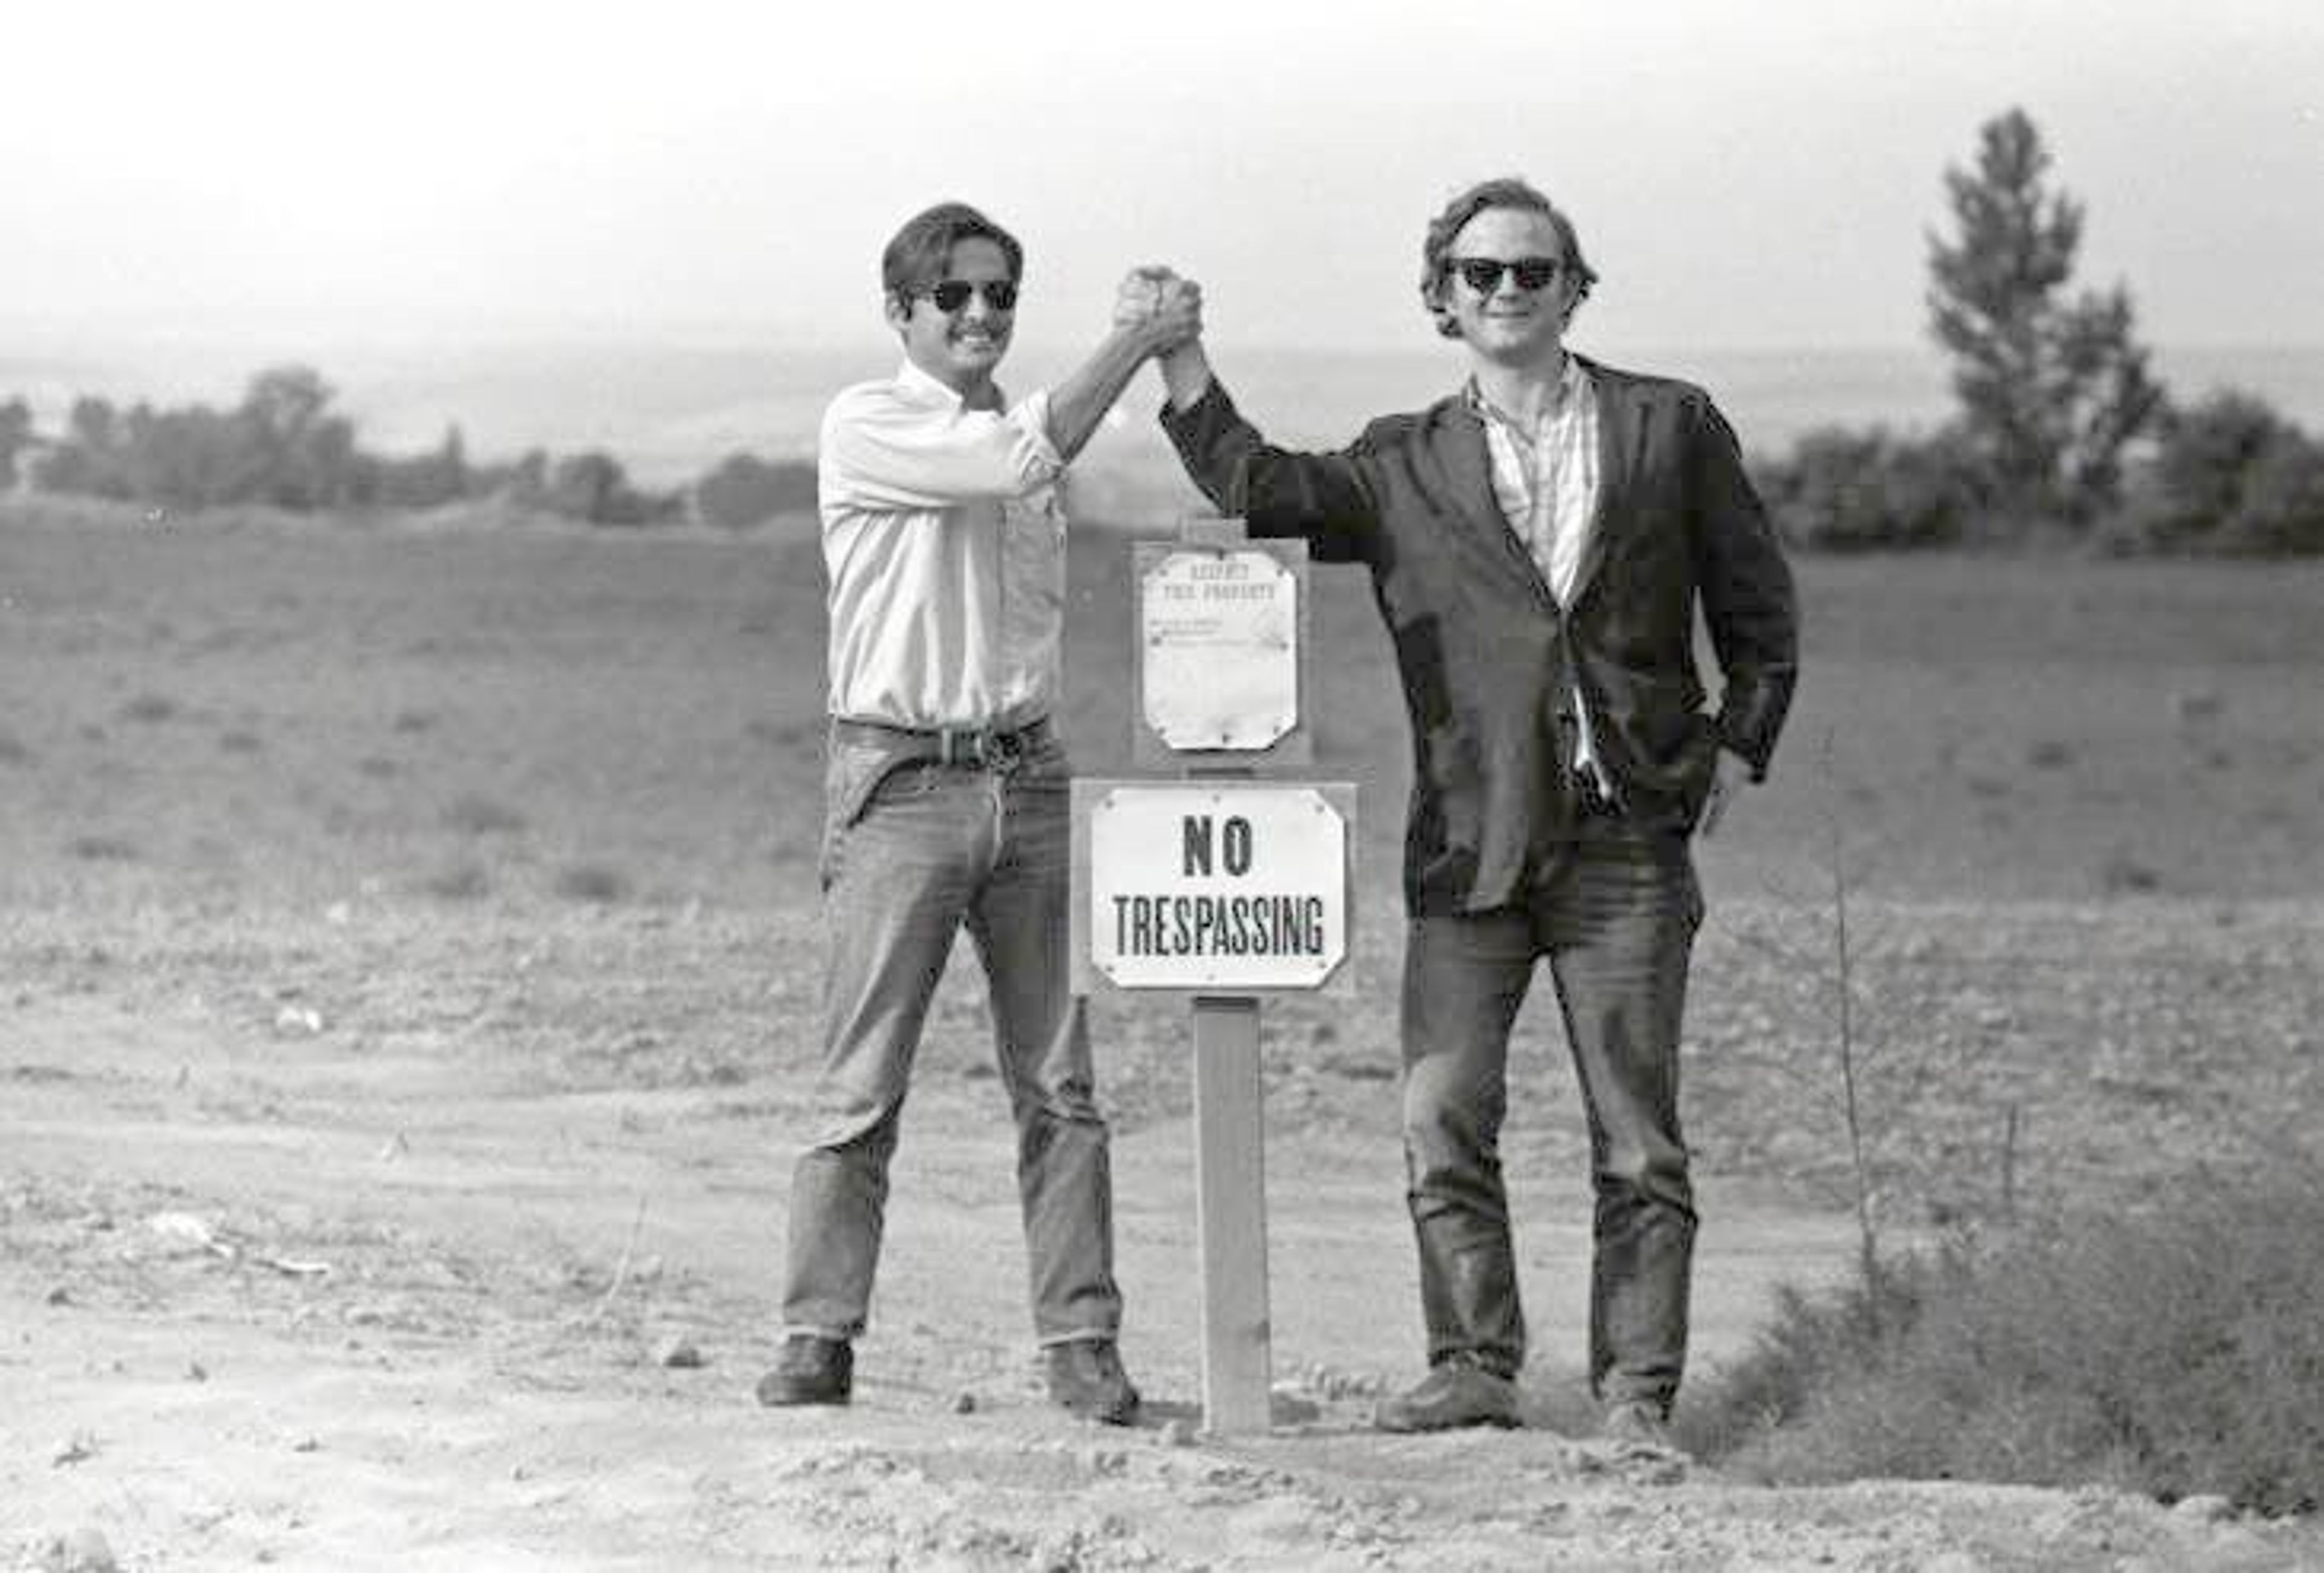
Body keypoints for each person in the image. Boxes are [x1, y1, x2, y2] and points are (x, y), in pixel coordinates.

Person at [1134, 177, 1798, 1444]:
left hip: (1630, 845)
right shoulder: (1399, 461)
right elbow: (1257, 490)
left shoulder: (1671, 425)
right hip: (1470, 837)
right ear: (1442, 297)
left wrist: (1734, 746)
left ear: (1572, 288)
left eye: (1533, 271)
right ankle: (1474, 1366)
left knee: (1639, 1140)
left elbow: (1758, 607)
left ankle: (1635, 1399)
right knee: (1440, 1112)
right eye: (1480, 273)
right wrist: (1180, 355)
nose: (1507, 290)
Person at [758, 202, 1200, 1424]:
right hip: (901, 783)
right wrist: (1136, 338)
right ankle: (816, 1337)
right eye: (952, 295)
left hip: (1030, 778)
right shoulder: (872, 422)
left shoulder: (1019, 439)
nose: (979, 314)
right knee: (861, 1088)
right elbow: (1023, 459)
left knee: (1060, 1083)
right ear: (901, 311)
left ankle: (1082, 1345)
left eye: (1000, 294)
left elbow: (1029, 468)